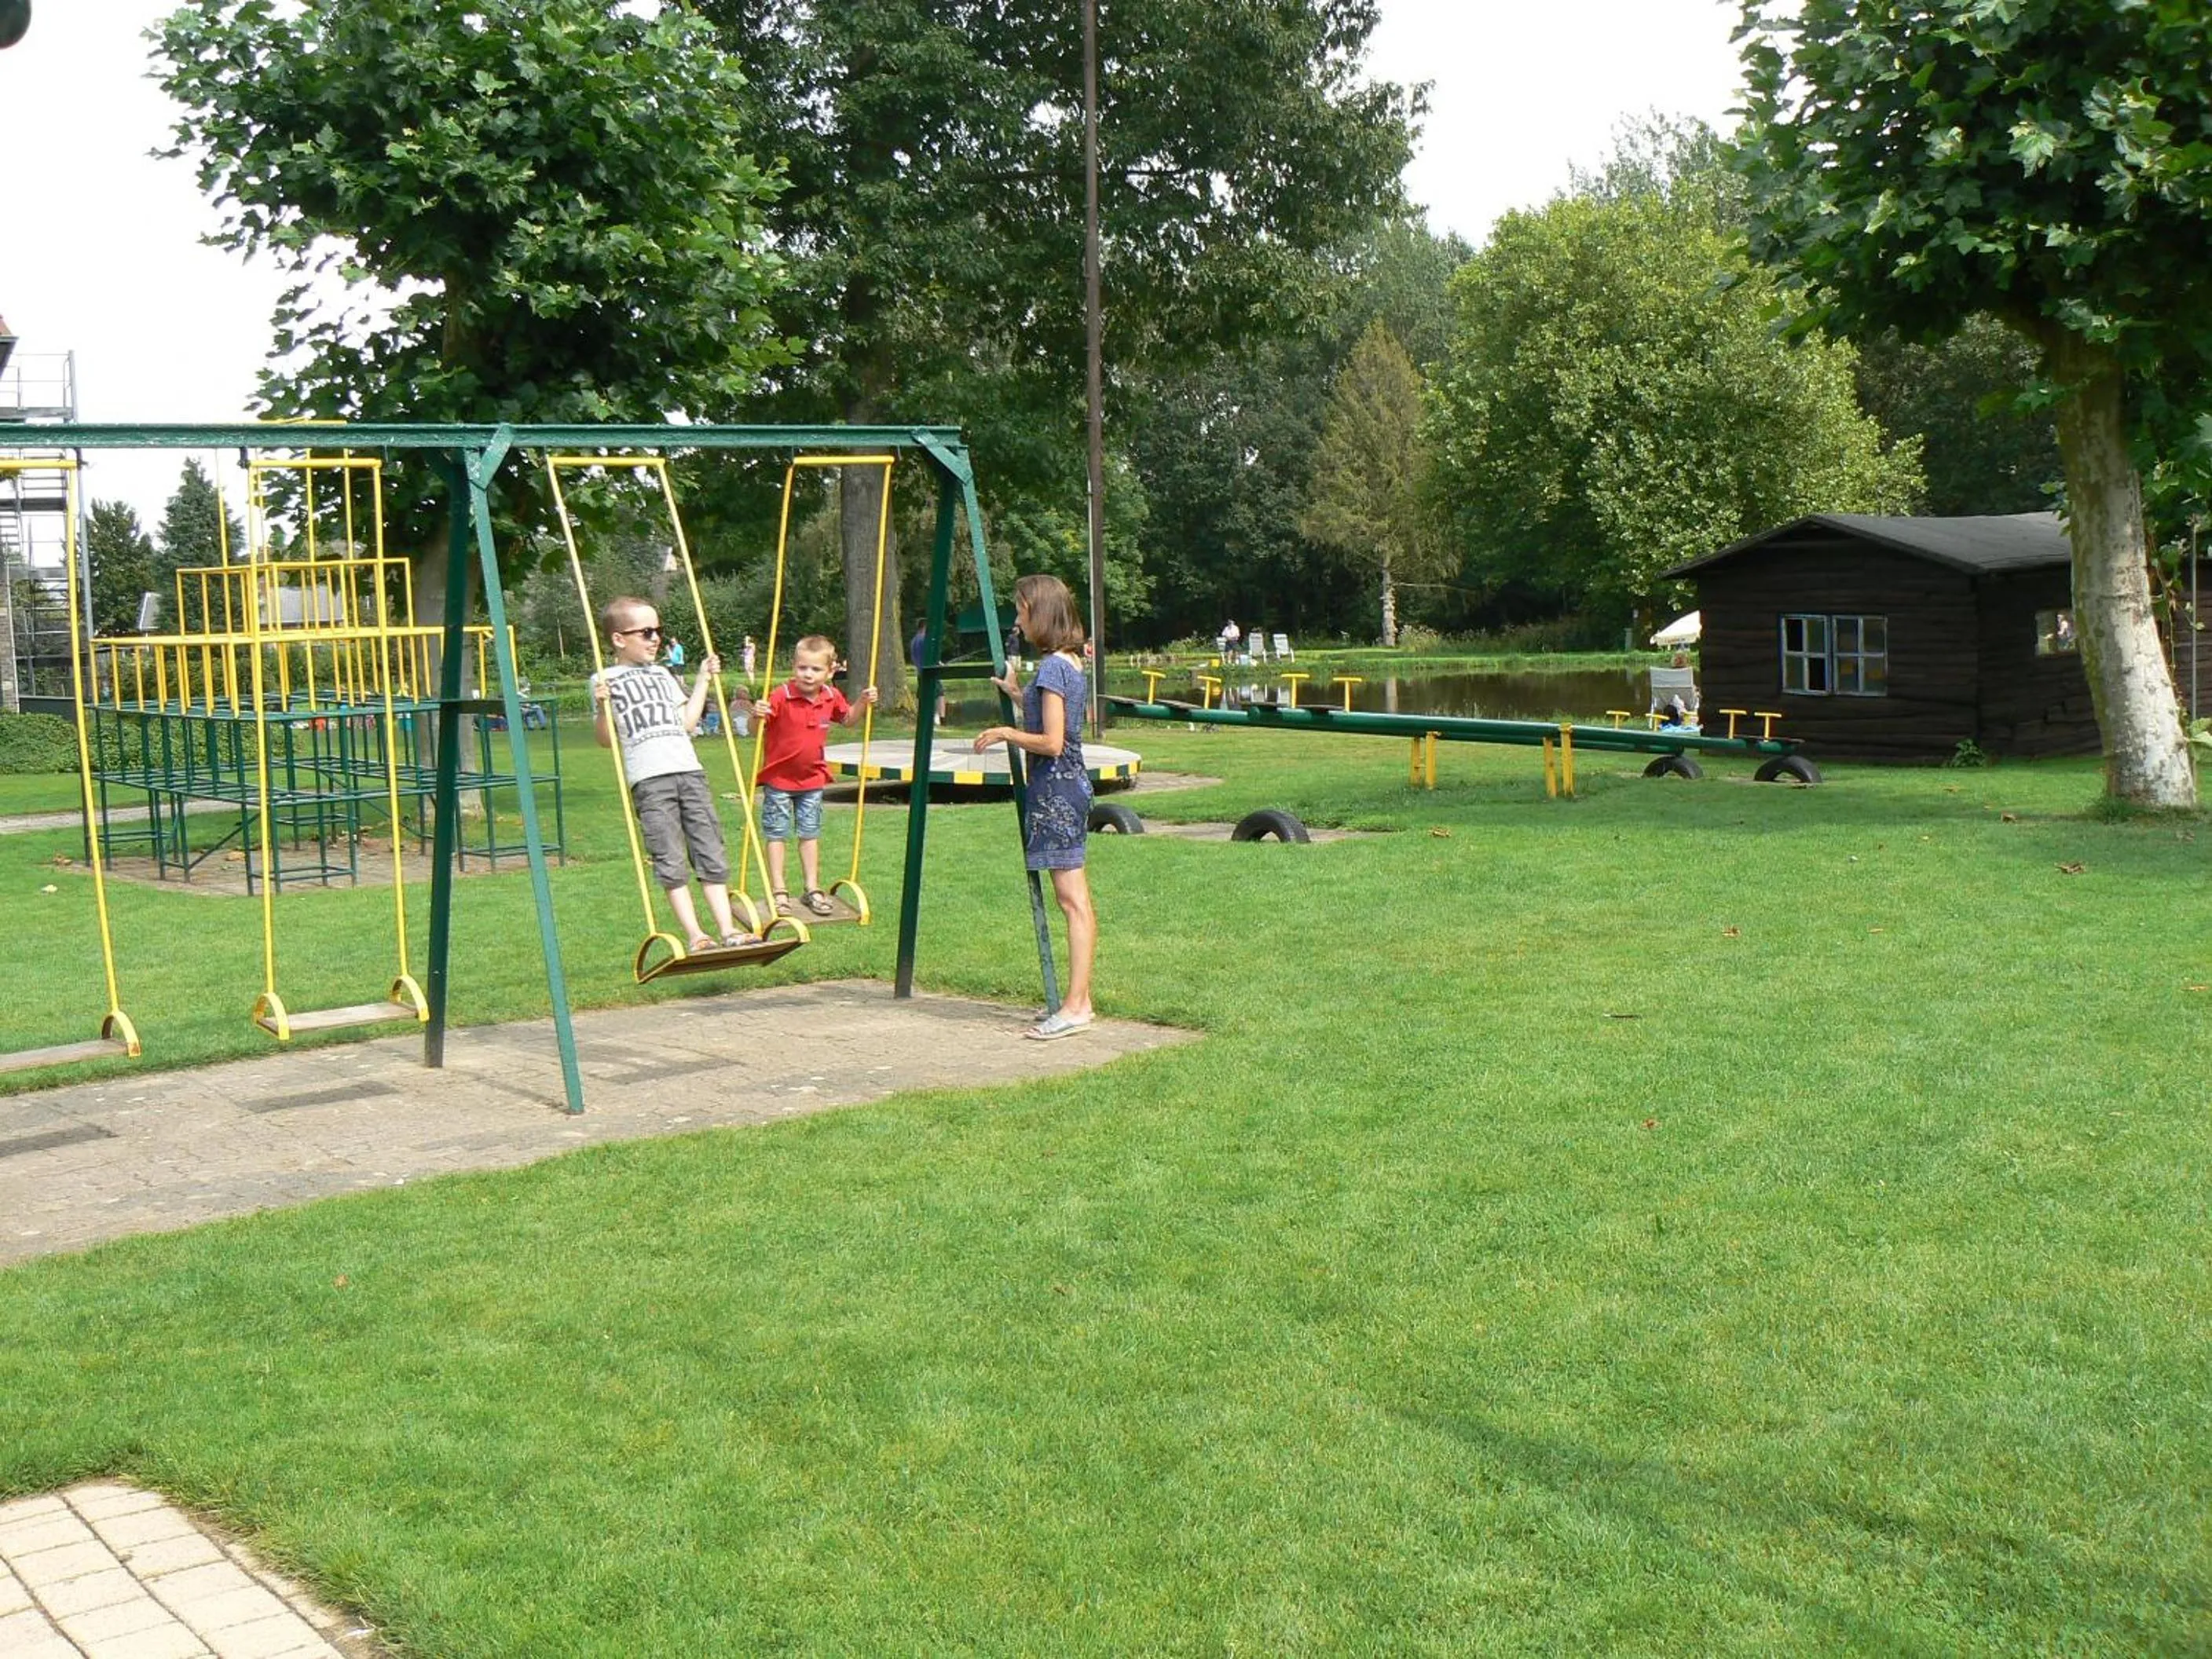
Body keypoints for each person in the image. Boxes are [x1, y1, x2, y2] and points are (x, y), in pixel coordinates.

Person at [591, 596, 758, 953]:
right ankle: (696, 935)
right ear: (620, 638)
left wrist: (702, 681)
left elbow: (687, 722)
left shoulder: (663, 674)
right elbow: (607, 740)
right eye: (647, 632)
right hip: (650, 780)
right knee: (670, 856)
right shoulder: (605, 679)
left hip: (689, 770)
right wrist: (603, 708)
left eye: (659, 631)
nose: (656, 639)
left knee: (709, 849)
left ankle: (728, 929)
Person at [975, 574, 1095, 1041]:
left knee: (1073, 901)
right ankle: (1080, 1000)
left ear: (1039, 612)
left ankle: (1075, 1007)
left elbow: (1052, 740)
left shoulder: (1052, 668)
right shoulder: (1067, 664)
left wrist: (1006, 732)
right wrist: (1018, 697)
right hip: (1070, 788)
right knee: (1076, 901)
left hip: (1056, 793)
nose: (1017, 619)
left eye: (1021, 610)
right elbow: (1053, 716)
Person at [754, 634, 877, 917]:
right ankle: (779, 891)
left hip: (812, 780)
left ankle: (811, 888)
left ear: (830, 671)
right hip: (779, 781)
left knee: (810, 834)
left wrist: (862, 701)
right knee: (777, 835)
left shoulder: (831, 697)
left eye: (815, 669)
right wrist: (755, 714)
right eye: (802, 668)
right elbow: (754, 730)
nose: (808, 675)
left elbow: (848, 721)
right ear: (794, 667)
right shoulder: (781, 696)